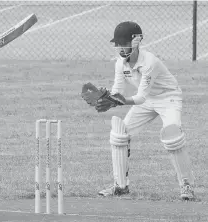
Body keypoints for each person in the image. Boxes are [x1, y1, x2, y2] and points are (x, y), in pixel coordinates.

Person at [82, 21, 195, 200]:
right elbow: (118, 91)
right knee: (120, 133)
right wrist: (107, 98)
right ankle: (120, 186)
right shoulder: (120, 63)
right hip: (148, 100)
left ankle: (186, 186)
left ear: (136, 41)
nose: (120, 47)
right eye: (117, 44)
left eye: (123, 43)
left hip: (168, 98)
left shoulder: (150, 62)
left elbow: (140, 97)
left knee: (172, 135)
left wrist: (120, 101)